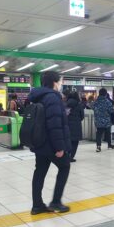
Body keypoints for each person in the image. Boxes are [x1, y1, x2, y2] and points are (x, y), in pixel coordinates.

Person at [28, 71, 72, 215]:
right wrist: (59, 147)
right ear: (54, 83)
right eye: (60, 82)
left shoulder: (36, 96)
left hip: (39, 141)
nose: (61, 84)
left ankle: (37, 205)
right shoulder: (53, 97)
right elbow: (55, 124)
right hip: (51, 144)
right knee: (65, 167)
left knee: (39, 171)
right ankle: (56, 202)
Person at [93, 88, 114, 152]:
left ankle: (98, 147)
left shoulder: (96, 101)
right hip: (106, 121)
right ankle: (109, 145)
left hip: (98, 120)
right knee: (108, 133)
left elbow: (92, 107)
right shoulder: (107, 102)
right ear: (105, 94)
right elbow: (111, 111)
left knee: (99, 134)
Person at [66, 91, 84, 163]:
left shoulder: (66, 104)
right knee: (75, 142)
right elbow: (82, 116)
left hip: (67, 125)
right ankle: (71, 157)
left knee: (68, 141)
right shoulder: (79, 105)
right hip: (76, 125)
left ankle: (67, 155)